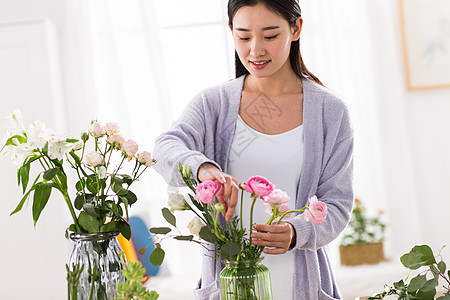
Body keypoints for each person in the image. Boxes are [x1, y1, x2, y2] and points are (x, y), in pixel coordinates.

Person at [152, 0, 354, 299]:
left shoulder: (330, 111)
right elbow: (165, 147)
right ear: (231, 31)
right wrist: (203, 168)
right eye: (244, 37)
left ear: (296, 28)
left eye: (270, 36)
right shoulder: (213, 104)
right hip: (228, 284)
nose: (255, 50)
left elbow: (336, 204)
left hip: (300, 285)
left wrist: (297, 232)